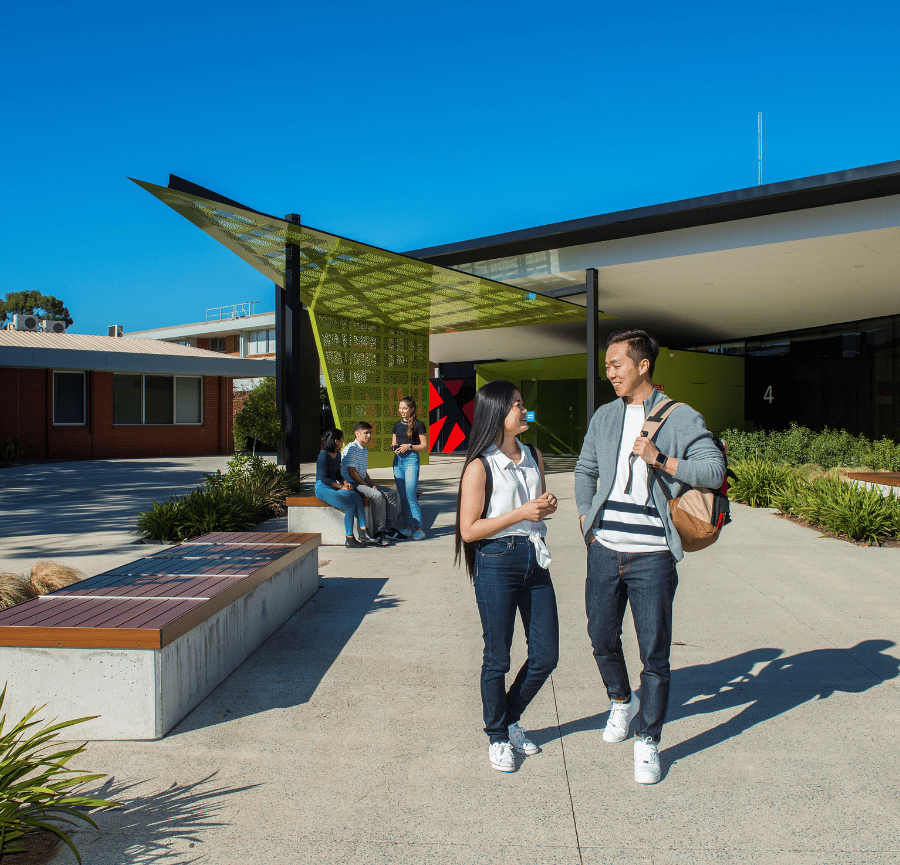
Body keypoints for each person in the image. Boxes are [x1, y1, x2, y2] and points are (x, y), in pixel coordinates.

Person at [574, 330, 725, 784]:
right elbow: (586, 469)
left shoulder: (680, 417)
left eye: (616, 365)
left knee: (654, 653)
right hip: (604, 548)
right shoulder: (605, 415)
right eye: (607, 366)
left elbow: (713, 470)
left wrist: (662, 459)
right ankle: (622, 701)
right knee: (600, 636)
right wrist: (586, 519)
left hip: (653, 554)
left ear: (642, 365)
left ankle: (648, 740)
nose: (610, 373)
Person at [455, 380, 559, 773]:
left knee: (546, 655)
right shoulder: (480, 465)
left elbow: (538, 505)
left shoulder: (533, 454)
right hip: (497, 561)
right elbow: (468, 530)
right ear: (498, 412)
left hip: (535, 558)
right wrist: (521, 514)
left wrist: (546, 505)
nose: (523, 411)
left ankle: (509, 716)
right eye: (517, 405)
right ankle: (498, 736)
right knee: (497, 656)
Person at [341, 422, 403, 545]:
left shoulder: (364, 450)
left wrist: (371, 483)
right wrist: (367, 485)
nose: (369, 435)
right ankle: (378, 533)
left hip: (360, 482)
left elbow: (363, 472)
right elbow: (352, 473)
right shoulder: (351, 448)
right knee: (377, 496)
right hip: (352, 484)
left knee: (391, 493)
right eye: (366, 433)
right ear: (357, 434)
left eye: (370, 433)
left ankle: (390, 529)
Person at [315, 428, 370, 549]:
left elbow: (338, 474)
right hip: (322, 488)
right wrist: (341, 486)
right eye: (341, 438)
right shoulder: (323, 455)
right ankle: (350, 539)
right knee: (349, 506)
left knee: (356, 496)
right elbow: (323, 479)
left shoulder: (338, 453)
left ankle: (363, 530)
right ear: (335, 441)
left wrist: (344, 482)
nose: (344, 439)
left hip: (333, 486)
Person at [391, 395, 427, 540]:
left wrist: (409, 446)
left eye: (404, 408)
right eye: (400, 408)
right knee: (403, 497)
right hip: (398, 461)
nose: (401, 410)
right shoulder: (396, 424)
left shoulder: (419, 424)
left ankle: (419, 529)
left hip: (411, 460)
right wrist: (395, 448)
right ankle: (407, 528)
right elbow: (393, 442)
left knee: (411, 495)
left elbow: (424, 446)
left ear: (412, 409)